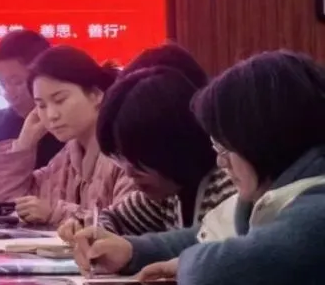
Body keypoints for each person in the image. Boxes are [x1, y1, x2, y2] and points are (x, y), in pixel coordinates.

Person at [74, 51, 325, 285]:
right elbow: (206, 236)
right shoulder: (266, 197)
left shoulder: (317, 209)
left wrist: (185, 265)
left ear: (262, 141)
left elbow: (214, 277)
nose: (221, 162)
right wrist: (131, 252)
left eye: (226, 148)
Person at [59, 65, 233, 239]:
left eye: (137, 158)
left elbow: (205, 245)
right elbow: (114, 218)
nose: (129, 172)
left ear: (173, 143)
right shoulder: (166, 194)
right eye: (121, 158)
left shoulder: (226, 190)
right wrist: (90, 229)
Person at [0, 45, 133, 225]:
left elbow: (128, 224)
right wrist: (24, 144)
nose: (51, 115)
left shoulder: (125, 152)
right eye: (41, 105)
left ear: (96, 95)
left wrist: (56, 214)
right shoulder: (66, 158)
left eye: (60, 100)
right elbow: (13, 206)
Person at [0, 30, 63, 198]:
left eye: (17, 82)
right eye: (3, 84)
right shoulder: (2, 121)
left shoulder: (66, 122)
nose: (10, 94)